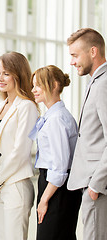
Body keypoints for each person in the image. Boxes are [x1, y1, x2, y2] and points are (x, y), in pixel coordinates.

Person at [0, 52, 38, 240]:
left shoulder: (27, 107)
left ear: (18, 74)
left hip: (16, 187)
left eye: (6, 73)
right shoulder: (0, 106)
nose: (0, 78)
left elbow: (20, 152)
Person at [29, 65, 82, 240]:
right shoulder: (56, 116)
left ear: (53, 85)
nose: (33, 90)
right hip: (57, 186)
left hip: (56, 188)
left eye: (38, 85)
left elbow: (59, 168)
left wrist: (44, 200)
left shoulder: (57, 119)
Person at [67, 28, 107, 240]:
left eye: (75, 55)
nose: (72, 62)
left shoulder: (103, 84)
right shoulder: (95, 81)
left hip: (97, 184)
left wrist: (96, 184)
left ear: (93, 51)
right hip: (91, 182)